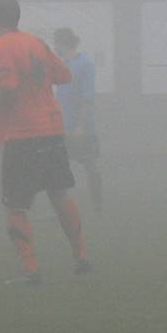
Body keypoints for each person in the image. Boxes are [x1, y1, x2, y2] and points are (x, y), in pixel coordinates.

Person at [0, 0, 91, 284]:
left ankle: (30, 269)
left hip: (23, 134)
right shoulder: (36, 42)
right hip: (52, 129)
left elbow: (7, 87)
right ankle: (81, 256)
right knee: (59, 193)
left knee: (15, 204)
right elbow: (64, 75)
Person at [53, 27, 103, 213]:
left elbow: (86, 98)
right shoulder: (60, 64)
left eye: (56, 43)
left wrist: (81, 126)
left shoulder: (85, 65)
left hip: (80, 129)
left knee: (90, 165)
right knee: (58, 168)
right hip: (62, 128)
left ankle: (98, 206)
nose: (54, 47)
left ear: (63, 43)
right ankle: (60, 208)